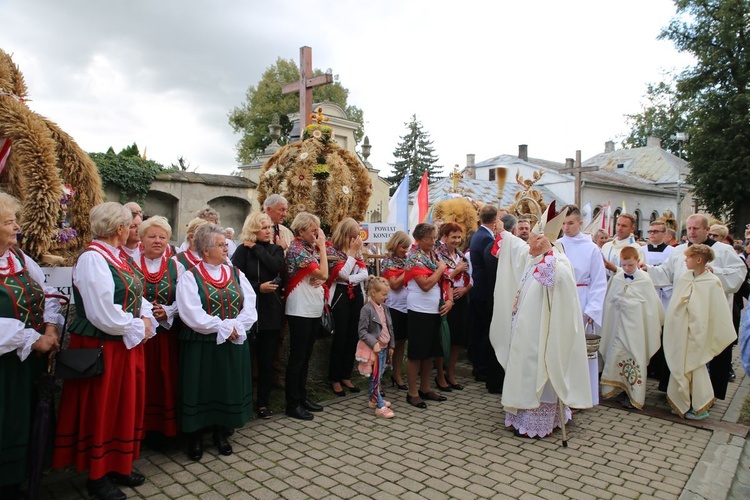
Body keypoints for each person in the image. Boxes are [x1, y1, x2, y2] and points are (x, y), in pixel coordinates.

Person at [53, 202, 156, 500]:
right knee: (104, 407)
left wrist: (145, 318)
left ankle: (119, 464)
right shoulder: (93, 259)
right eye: (131, 225)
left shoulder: (118, 257)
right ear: (120, 229)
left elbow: (136, 294)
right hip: (104, 345)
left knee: (124, 405)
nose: (132, 230)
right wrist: (137, 326)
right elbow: (102, 312)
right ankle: (97, 475)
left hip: (124, 343)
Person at [495, 204, 592, 438]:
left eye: (531, 239)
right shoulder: (534, 258)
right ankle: (521, 413)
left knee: (538, 368)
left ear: (542, 241)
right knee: (523, 367)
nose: (526, 241)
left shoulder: (557, 260)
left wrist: (550, 257)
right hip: (525, 330)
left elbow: (561, 281)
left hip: (542, 332)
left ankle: (540, 420)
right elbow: (519, 254)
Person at [643, 214, 747, 399]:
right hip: (683, 315)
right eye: (689, 228)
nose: (691, 232)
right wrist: (646, 270)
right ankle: (678, 390)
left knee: (707, 354)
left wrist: (715, 271)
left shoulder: (723, 251)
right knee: (680, 350)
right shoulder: (679, 251)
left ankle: (706, 395)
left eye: (696, 228)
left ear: (707, 230)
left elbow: (738, 274)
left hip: (709, 315)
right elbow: (665, 272)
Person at [176, 224, 256, 461]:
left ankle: (222, 433)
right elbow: (190, 312)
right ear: (205, 249)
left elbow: (250, 305)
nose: (226, 248)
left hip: (232, 341)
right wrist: (221, 326)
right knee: (200, 387)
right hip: (201, 343)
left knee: (226, 385)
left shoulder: (235, 273)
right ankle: (196, 437)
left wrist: (236, 326)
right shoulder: (190, 276)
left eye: (225, 245)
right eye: (221, 245)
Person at [0, 193, 61, 499]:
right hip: (4, 366)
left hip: (29, 362)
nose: (16, 228)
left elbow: (47, 292)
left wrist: (50, 328)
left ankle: (21, 480)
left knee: (25, 421)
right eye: (10, 222)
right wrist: (32, 339)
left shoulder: (20, 258)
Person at [663, 244, 736, 420]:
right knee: (680, 364)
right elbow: (675, 304)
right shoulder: (685, 278)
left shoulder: (712, 282)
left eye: (688, 257)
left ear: (699, 260)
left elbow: (716, 311)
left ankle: (700, 407)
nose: (685, 260)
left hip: (698, 333)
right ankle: (682, 401)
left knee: (695, 366)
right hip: (682, 331)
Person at [231, 212, 284, 420]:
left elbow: (275, 266)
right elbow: (235, 279)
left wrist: (257, 249)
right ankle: (242, 400)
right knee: (245, 359)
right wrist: (257, 287)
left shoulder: (276, 249)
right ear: (253, 229)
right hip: (247, 312)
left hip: (270, 312)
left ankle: (263, 402)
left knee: (266, 361)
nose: (268, 231)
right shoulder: (242, 252)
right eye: (263, 228)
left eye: (269, 227)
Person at [599, 246, 663, 409]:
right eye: (624, 265)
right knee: (616, 355)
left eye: (630, 265)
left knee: (634, 357)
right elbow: (609, 301)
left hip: (636, 331)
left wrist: (630, 304)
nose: (626, 268)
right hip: (618, 328)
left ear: (637, 262)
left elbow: (651, 308)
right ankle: (618, 388)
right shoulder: (618, 277)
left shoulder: (644, 280)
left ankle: (633, 394)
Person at [138, 216, 181, 450]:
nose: (157, 240)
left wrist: (169, 310)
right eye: (152, 236)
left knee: (165, 378)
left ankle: (165, 432)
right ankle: (140, 431)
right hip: (140, 337)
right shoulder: (130, 262)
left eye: (162, 237)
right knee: (143, 381)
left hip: (165, 336)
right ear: (141, 239)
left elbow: (185, 297)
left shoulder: (176, 265)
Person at [558, 205, 607, 405]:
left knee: (581, 351)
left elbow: (599, 282)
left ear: (580, 223)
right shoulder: (556, 245)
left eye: (570, 223)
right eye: (563, 223)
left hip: (582, 300)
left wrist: (592, 310)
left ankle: (582, 396)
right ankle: (562, 393)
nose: (566, 227)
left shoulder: (591, 248)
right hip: (561, 300)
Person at [284, 212, 328, 420]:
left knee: (306, 356)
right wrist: (324, 248)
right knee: (297, 358)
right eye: (313, 230)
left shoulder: (308, 248)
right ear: (301, 231)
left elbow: (321, 276)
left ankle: (301, 397)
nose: (317, 234)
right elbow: (324, 274)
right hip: (299, 309)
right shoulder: (297, 249)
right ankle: (292, 403)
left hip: (311, 308)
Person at [404, 223, 453, 409]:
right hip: (419, 309)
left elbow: (446, 278)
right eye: (430, 238)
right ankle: (412, 392)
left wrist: (449, 300)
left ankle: (425, 388)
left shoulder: (434, 255)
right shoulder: (414, 258)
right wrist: (440, 269)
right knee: (417, 353)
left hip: (434, 309)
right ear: (419, 239)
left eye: (434, 238)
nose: (434, 241)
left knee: (430, 352)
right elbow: (425, 285)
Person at [486, 214, 529, 395]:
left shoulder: (517, 247)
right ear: (515, 230)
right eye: (522, 228)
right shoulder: (514, 247)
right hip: (508, 299)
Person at [326, 218, 368, 396]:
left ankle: (345, 375)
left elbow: (365, 273)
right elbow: (340, 274)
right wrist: (351, 254)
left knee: (353, 335)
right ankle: (334, 378)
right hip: (340, 296)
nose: (356, 240)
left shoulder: (358, 251)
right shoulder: (332, 249)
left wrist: (351, 279)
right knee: (341, 336)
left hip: (356, 294)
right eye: (353, 237)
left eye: (357, 236)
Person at [436, 222, 471, 390]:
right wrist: (456, 270)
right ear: (444, 237)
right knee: (444, 338)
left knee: (457, 338)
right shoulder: (438, 255)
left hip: (460, 298)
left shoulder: (461, 255)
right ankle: (440, 375)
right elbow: (439, 277)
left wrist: (465, 289)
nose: (457, 240)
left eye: (459, 237)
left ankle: (451, 373)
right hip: (444, 298)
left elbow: (471, 278)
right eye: (453, 237)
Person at [357, 276, 396, 418]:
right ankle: (379, 405)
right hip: (375, 350)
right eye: (383, 294)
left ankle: (373, 399)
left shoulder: (384, 307)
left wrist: (391, 344)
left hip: (385, 348)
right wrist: (374, 343)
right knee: (375, 377)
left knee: (378, 376)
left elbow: (389, 327)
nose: (386, 298)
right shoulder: (366, 309)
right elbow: (362, 331)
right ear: (373, 293)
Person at [468, 204, 498, 381]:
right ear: (495, 220)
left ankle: (479, 366)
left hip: (478, 286)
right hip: (484, 287)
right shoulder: (486, 238)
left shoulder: (479, 234)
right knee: (483, 330)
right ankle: (482, 367)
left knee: (479, 329)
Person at [381, 231, 411, 390]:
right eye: (403, 247)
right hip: (393, 306)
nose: (406, 250)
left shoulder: (405, 259)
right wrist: (409, 269)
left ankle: (397, 374)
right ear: (395, 244)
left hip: (407, 307)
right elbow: (394, 284)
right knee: (389, 343)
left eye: (407, 247)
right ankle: (379, 377)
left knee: (401, 342)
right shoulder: (388, 261)